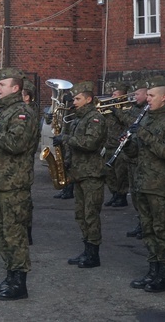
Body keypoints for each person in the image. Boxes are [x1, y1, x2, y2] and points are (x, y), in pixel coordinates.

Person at [0, 69, 39, 300]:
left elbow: (16, 144)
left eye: (2, 84)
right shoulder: (2, 110)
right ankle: (10, 275)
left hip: (13, 184)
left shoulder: (22, 112)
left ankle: (19, 283)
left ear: (15, 88)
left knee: (14, 234)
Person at [127, 76, 165, 293]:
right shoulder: (146, 119)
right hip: (142, 182)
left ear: (163, 97)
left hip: (160, 185)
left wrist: (142, 133)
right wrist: (129, 144)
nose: (147, 99)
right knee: (148, 230)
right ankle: (153, 270)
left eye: (151, 96)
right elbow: (138, 151)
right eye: (147, 95)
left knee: (162, 230)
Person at [54, 81, 107, 269]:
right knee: (80, 214)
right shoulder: (78, 118)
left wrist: (66, 138)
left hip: (92, 174)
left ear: (88, 99)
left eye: (77, 99)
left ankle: (93, 254)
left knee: (91, 214)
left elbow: (90, 144)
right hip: (79, 173)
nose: (74, 102)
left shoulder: (95, 119)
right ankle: (86, 249)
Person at [119, 79, 149, 239]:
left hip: (145, 163)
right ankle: (141, 223)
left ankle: (146, 226)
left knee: (143, 197)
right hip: (133, 157)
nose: (135, 97)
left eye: (138, 94)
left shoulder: (146, 112)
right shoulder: (135, 109)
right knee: (135, 194)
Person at [102, 82, 130, 208]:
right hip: (109, 145)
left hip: (121, 147)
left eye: (115, 94)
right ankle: (114, 194)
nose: (112, 96)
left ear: (123, 96)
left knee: (121, 173)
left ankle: (122, 196)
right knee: (109, 173)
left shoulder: (128, 109)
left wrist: (117, 111)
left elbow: (128, 123)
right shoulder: (109, 109)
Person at [21, 78, 39, 245]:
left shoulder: (28, 112)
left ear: (27, 97)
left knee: (23, 200)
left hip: (23, 162)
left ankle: (26, 232)